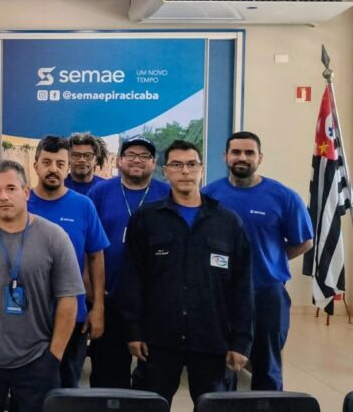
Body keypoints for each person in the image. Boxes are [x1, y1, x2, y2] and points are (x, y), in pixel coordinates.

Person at [120, 140, 253, 406]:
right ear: (165, 171)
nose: (185, 171)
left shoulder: (228, 222)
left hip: (212, 339)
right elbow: (132, 279)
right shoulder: (146, 219)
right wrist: (133, 331)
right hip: (158, 341)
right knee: (149, 405)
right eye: (177, 165)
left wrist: (241, 342)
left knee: (214, 406)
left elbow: (241, 286)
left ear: (201, 169)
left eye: (191, 164)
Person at [0, 160, 83, 412]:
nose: (4, 196)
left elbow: (68, 299)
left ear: (26, 192)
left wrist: (54, 355)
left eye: (11, 188)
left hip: (37, 358)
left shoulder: (54, 237)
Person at [203, 131, 313, 391]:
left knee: (267, 364)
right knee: (220, 366)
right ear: (225, 156)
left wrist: (273, 260)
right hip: (220, 294)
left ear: (260, 157)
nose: (242, 157)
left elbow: (305, 241)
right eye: (236, 152)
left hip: (266, 292)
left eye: (249, 152)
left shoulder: (284, 196)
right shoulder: (208, 195)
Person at [86, 137, 170, 389]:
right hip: (109, 295)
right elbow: (87, 243)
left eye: (144, 156)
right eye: (131, 154)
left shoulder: (166, 194)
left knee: (153, 373)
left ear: (154, 163)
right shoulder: (100, 192)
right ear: (119, 160)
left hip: (153, 301)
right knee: (107, 371)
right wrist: (90, 287)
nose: (137, 160)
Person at [27, 135, 109, 388]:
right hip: (27, 315)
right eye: (47, 162)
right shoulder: (22, 203)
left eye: (60, 163)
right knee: (28, 388)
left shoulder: (83, 205)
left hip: (72, 314)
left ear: (67, 167)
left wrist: (98, 308)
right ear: (36, 165)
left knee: (67, 387)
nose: (53, 169)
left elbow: (96, 256)